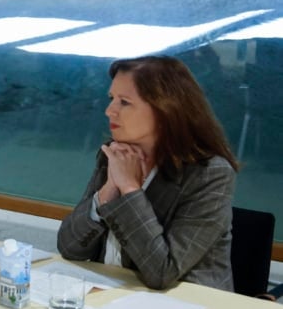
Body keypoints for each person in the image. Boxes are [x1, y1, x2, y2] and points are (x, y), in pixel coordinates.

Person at [57, 56, 238, 291]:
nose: (109, 111)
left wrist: (130, 189)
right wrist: (107, 192)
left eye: (124, 102)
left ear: (164, 109)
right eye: (112, 99)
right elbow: (70, 248)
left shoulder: (209, 174)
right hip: (115, 296)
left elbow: (162, 272)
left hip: (189, 307)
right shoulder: (115, 155)